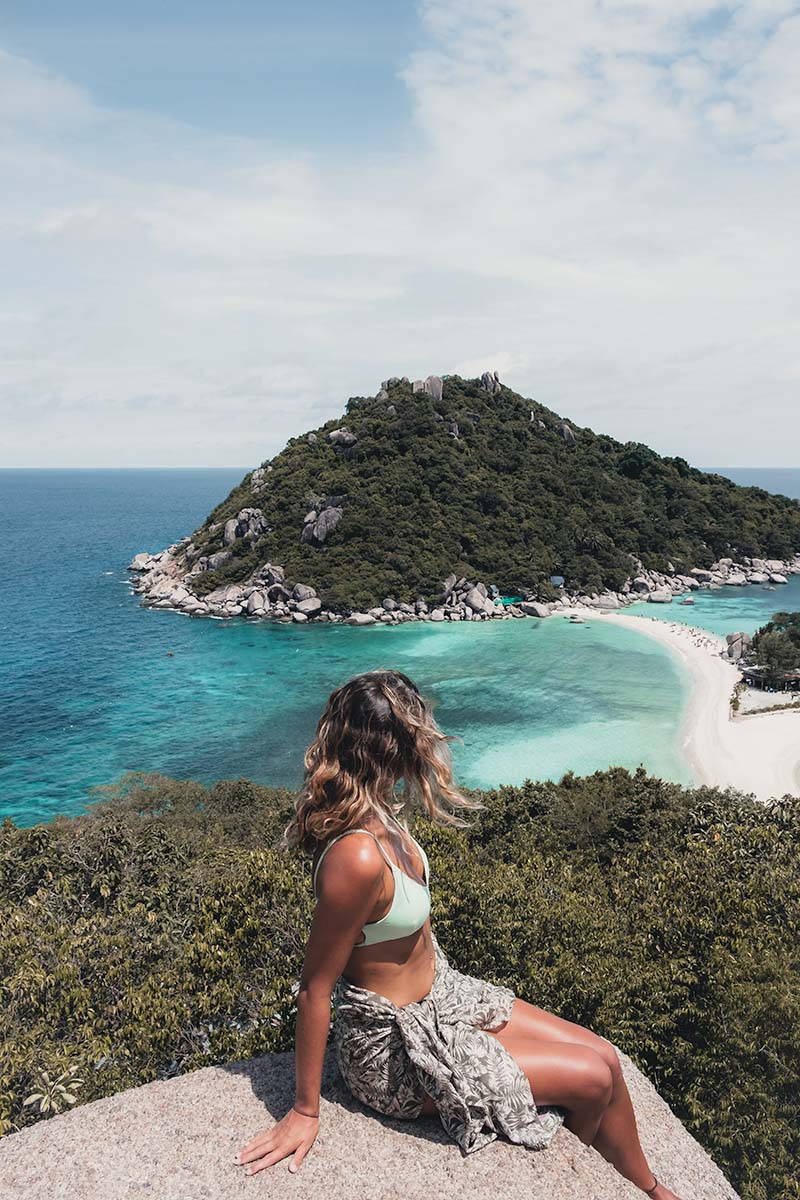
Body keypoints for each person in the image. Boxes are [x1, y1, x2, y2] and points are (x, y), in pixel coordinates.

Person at [235, 669, 682, 1198]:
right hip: (396, 1051)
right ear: (397, 748)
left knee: (604, 1056)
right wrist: (305, 1110)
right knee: (593, 1079)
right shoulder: (355, 855)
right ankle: (594, 1184)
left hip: (443, 997)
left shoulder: (383, 817)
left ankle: (647, 1187)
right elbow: (315, 986)